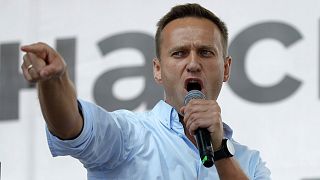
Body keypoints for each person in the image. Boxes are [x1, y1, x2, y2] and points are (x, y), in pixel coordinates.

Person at [21, 3, 271, 180]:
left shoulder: (249, 163)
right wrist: (54, 81)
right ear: (158, 70)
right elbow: (72, 127)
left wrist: (219, 151)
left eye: (206, 52)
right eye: (179, 53)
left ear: (226, 68)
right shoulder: (128, 136)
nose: (193, 63)